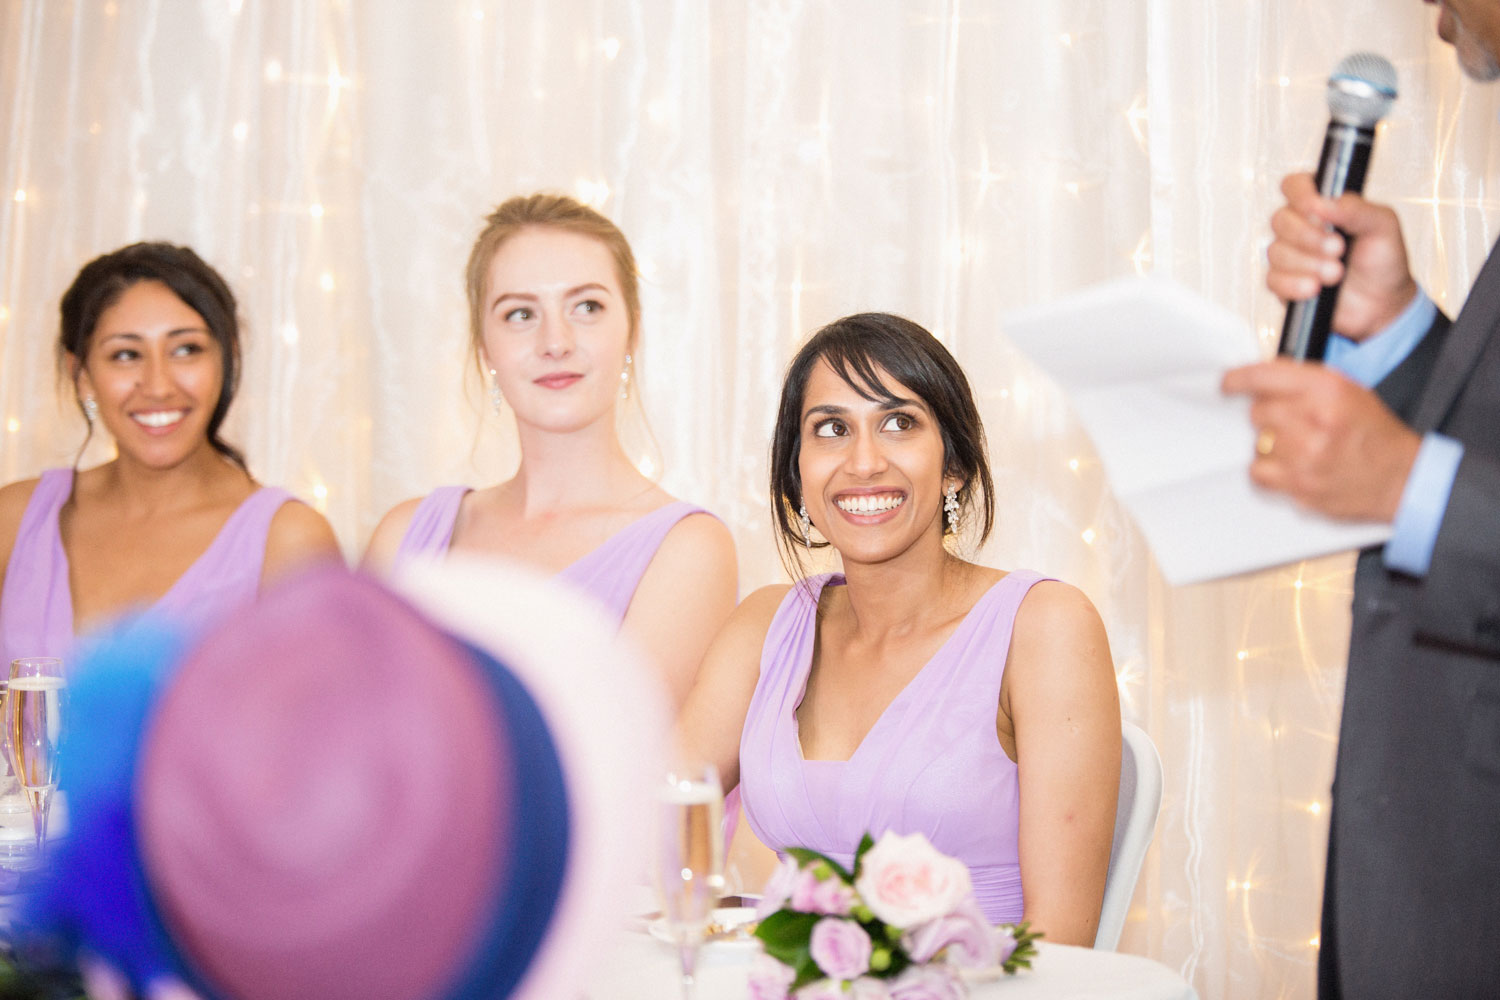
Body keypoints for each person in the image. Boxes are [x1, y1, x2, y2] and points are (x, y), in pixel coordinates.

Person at [678, 312, 1121, 944]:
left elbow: (1060, 942)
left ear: (954, 465)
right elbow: (647, 811)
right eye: (831, 429)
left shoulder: (1045, 626)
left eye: (899, 423)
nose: (863, 461)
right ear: (796, 473)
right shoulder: (766, 624)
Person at [1222, 3, 1500, 994]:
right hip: (1429, 873)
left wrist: (1410, 484)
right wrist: (1396, 330)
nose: (1438, 17)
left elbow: (1451, 491)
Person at [363, 193, 736, 709]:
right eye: (520, 313)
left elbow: (628, 768)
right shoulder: (402, 537)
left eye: (587, 307)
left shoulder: (688, 548)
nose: (555, 341)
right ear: (483, 348)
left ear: (632, 332)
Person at [0, 242, 340, 667]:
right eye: (126, 355)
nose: (158, 385)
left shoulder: (289, 539)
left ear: (228, 359)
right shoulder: (16, 519)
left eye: (185, 350)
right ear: (82, 376)